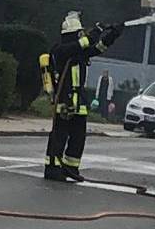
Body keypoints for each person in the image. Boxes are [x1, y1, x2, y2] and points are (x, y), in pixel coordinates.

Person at [45, 12, 123, 182]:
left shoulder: (79, 52)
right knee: (59, 136)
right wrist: (98, 30)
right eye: (78, 33)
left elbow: (98, 48)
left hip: (79, 103)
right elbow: (85, 42)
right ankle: (52, 168)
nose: (81, 35)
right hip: (64, 103)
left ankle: (70, 167)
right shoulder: (60, 50)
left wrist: (113, 35)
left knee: (78, 138)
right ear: (71, 35)